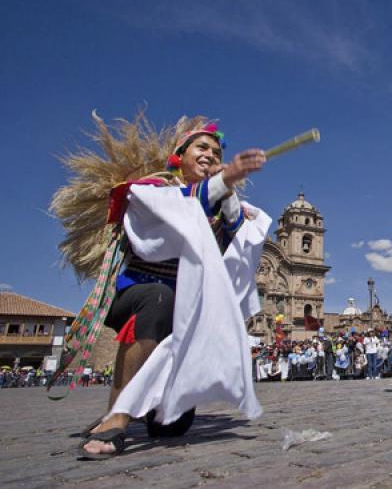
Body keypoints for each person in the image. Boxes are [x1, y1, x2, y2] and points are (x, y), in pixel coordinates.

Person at [71, 119, 269, 459]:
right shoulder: (153, 190)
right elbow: (184, 207)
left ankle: (154, 402)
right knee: (159, 300)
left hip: (186, 311)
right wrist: (223, 181)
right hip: (142, 293)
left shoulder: (220, 202)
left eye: (217, 152)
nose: (210, 154)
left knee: (171, 427)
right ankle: (117, 414)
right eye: (202, 148)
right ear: (179, 155)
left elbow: (244, 237)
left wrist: (230, 191)